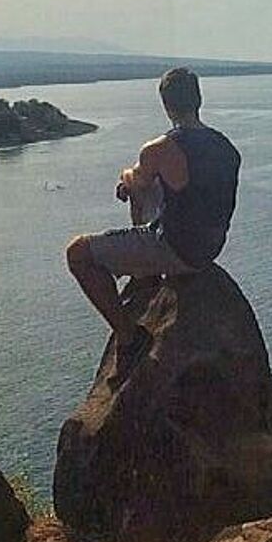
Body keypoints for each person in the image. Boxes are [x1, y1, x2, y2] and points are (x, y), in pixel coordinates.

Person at [65, 67, 241, 383]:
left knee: (77, 253)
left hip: (177, 249)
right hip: (211, 245)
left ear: (165, 105)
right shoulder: (226, 147)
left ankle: (128, 335)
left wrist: (126, 179)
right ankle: (143, 273)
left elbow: (138, 179)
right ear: (198, 99)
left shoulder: (159, 148)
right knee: (147, 185)